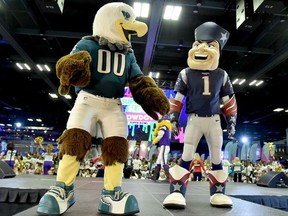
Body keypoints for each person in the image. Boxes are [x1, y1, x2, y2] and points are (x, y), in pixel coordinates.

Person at [36, 2, 170, 215]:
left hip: (114, 104)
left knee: (117, 145)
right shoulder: (88, 44)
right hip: (87, 100)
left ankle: (112, 192)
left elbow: (137, 79)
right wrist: (71, 67)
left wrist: (151, 95)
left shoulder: (128, 54)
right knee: (74, 139)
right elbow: (66, 64)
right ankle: (63, 188)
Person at [163, 21, 237, 209]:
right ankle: (177, 192)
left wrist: (232, 121)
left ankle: (218, 194)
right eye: (197, 44)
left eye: (210, 45)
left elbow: (229, 100)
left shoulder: (222, 74)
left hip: (213, 120)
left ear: (218, 50)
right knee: (187, 153)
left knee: (216, 156)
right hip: (195, 120)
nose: (201, 48)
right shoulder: (186, 73)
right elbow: (177, 99)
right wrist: (173, 117)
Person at [151, 115, 172, 181]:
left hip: (164, 146)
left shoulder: (163, 126)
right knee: (158, 161)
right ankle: (155, 176)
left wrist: (154, 141)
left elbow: (160, 136)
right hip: (165, 146)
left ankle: (169, 178)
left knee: (163, 162)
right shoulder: (167, 127)